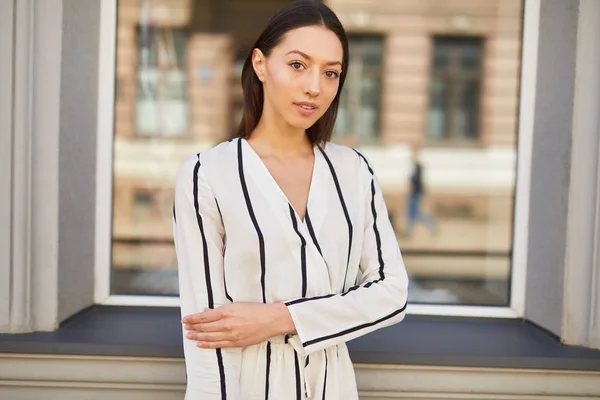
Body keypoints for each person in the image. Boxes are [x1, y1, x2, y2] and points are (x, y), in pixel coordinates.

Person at [173, 1, 409, 398]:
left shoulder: (354, 171)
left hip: (332, 386)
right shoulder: (208, 174)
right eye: (298, 65)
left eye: (331, 72)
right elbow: (207, 335)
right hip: (248, 387)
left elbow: (391, 293)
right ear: (260, 65)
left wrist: (282, 318)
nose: (315, 86)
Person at [405, 161, 436, 238]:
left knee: (414, 215)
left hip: (414, 197)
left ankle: (410, 231)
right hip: (415, 197)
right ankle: (410, 231)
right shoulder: (419, 178)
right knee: (414, 215)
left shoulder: (416, 178)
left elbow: (410, 181)